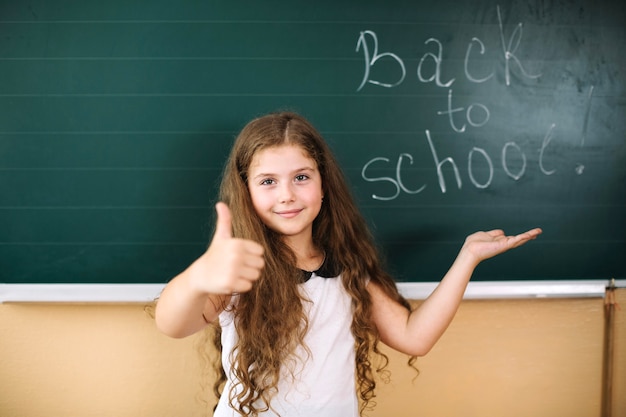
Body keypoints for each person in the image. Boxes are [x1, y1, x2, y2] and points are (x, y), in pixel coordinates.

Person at [155, 111, 542, 417]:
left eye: (301, 177)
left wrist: (468, 258)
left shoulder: (348, 270)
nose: (286, 195)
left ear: (324, 184)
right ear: (247, 191)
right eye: (268, 181)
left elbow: (414, 337)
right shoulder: (236, 270)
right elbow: (171, 324)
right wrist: (197, 277)